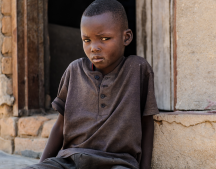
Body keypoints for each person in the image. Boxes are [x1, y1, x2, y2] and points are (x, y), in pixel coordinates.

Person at [24, 0, 159, 168]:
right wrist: (42, 164)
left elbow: (147, 123)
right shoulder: (74, 71)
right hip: (70, 161)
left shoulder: (138, 69)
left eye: (104, 38)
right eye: (87, 40)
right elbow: (60, 126)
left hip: (117, 163)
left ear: (126, 37)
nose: (94, 47)